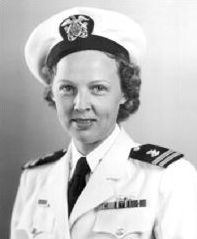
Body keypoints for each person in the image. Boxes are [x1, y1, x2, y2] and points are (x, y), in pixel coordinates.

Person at [10, 6, 197, 239]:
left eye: (98, 88)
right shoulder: (35, 178)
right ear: (52, 94)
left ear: (125, 93)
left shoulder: (167, 178)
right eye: (67, 88)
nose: (80, 105)